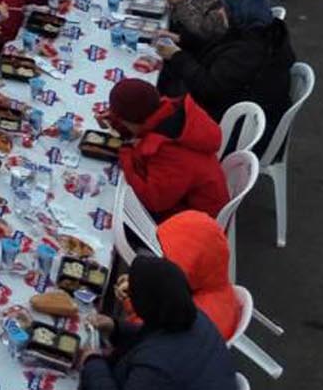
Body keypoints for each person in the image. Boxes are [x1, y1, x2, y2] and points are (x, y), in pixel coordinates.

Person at [79, 254, 236, 390]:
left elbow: (156, 355)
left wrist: (93, 363)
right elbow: (153, 337)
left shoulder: (155, 369)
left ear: (146, 305)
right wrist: (115, 328)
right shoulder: (191, 315)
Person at [104, 79, 229, 222]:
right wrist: (116, 121)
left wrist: (125, 155)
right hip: (186, 199)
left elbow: (154, 201)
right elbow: (139, 127)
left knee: (113, 201)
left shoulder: (168, 152)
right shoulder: (169, 111)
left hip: (195, 224)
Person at [156, 211, 244, 343]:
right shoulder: (215, 284)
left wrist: (137, 295)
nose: (160, 260)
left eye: (166, 258)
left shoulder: (186, 317)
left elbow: (143, 329)